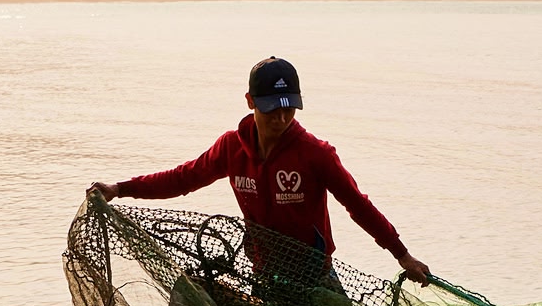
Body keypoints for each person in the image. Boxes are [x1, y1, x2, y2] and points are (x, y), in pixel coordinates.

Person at [91, 57, 431, 284]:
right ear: (250, 101)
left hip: (315, 277)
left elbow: (358, 205)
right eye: (271, 110)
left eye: (289, 109)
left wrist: (401, 254)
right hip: (265, 276)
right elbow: (182, 179)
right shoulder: (231, 148)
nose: (281, 119)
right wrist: (120, 188)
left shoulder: (316, 154)